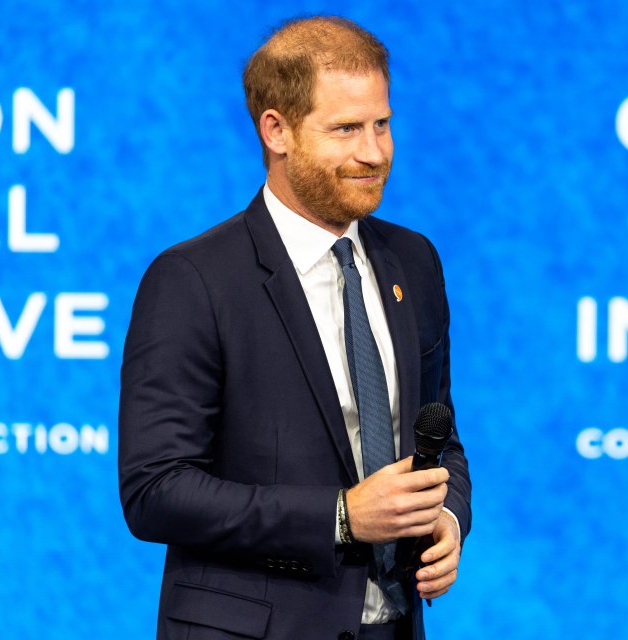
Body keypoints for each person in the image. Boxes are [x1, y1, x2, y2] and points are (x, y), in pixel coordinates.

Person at [118, 15, 472, 640]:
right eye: (345, 129)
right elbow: (156, 489)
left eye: (382, 124)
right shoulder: (192, 280)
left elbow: (438, 436)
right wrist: (340, 516)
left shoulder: (414, 262)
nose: (374, 152)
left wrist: (446, 517)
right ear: (276, 130)